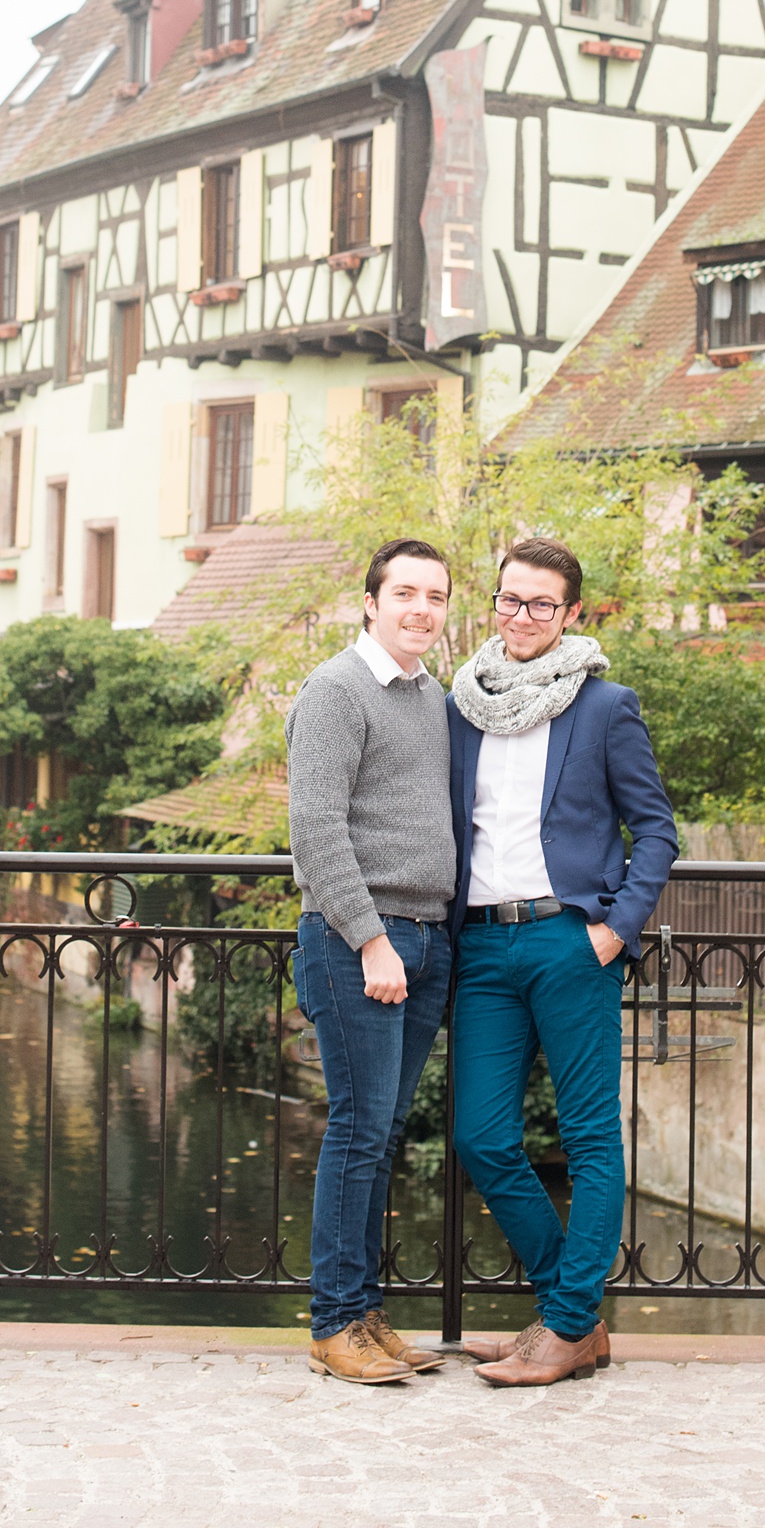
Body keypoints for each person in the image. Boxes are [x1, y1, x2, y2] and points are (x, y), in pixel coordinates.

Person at [447, 535, 678, 1386]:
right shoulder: (460, 704)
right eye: (510, 600)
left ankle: (569, 1322)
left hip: (569, 940)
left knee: (587, 1137)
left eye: (542, 604)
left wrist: (614, 930)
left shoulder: (606, 707)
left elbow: (656, 829)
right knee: (480, 1135)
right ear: (494, 601)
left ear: (572, 614)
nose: (522, 618)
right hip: (480, 945)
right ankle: (567, 1313)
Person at [286, 537, 457, 1384]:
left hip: (424, 939)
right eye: (405, 593)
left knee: (382, 1135)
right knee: (357, 1133)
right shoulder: (335, 691)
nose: (421, 609)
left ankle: (363, 1310)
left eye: (435, 596)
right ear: (370, 601)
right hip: (360, 942)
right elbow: (316, 831)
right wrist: (371, 939)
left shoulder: (431, 698)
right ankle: (332, 1323)